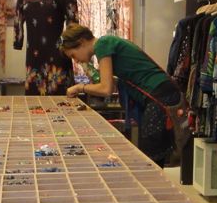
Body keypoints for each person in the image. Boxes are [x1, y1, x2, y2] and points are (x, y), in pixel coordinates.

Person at [60, 24, 189, 166]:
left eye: (73, 56)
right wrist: (85, 66)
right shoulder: (106, 43)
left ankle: (152, 180)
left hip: (160, 94)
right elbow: (102, 81)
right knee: (153, 151)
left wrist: (80, 87)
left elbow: (106, 88)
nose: (76, 60)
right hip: (162, 92)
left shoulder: (103, 44)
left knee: (151, 154)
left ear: (82, 42)